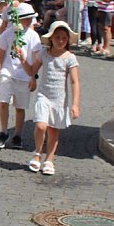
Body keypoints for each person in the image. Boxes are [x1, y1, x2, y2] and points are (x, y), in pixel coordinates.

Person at [19, 21, 80, 175]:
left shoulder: (70, 57)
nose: (60, 41)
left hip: (59, 98)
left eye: (64, 38)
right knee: (41, 125)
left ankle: (49, 159)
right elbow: (32, 70)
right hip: (44, 95)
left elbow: (74, 81)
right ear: (51, 38)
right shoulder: (44, 54)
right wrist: (22, 59)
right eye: (57, 37)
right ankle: (37, 153)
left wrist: (75, 104)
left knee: (53, 130)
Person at [0, 3, 40, 150]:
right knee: (4, 101)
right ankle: (4, 131)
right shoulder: (8, 33)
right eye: (27, 18)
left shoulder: (33, 36)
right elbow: (0, 55)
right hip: (8, 71)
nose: (29, 21)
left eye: (31, 18)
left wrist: (33, 77)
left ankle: (17, 134)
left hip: (24, 74)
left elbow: (36, 59)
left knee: (20, 106)